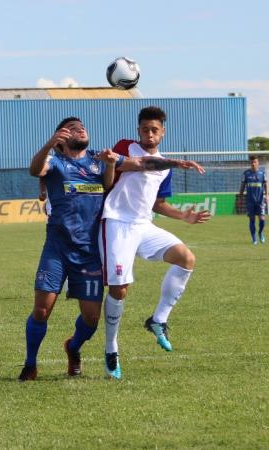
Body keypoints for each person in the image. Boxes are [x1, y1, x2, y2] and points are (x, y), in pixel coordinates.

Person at [100, 106, 210, 380]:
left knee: (186, 258)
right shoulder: (126, 147)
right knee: (119, 290)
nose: (149, 134)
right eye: (145, 129)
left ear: (163, 132)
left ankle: (158, 319)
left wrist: (184, 216)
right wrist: (175, 162)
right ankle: (111, 347)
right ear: (138, 130)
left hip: (144, 225)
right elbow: (139, 165)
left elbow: (158, 203)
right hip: (116, 223)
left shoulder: (166, 166)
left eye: (154, 130)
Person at [19, 116, 121, 381]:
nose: (81, 129)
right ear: (61, 139)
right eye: (73, 128)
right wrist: (48, 145)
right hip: (57, 249)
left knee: (91, 320)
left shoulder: (98, 162)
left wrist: (110, 164)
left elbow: (108, 184)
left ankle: (73, 347)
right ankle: (30, 363)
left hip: (88, 253)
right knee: (42, 311)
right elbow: (34, 170)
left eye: (82, 126)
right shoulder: (55, 162)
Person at [238, 155, 268, 244]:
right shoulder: (246, 173)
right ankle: (254, 238)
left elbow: (266, 185)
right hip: (250, 201)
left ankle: (260, 233)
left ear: (258, 163)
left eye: (255, 162)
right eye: (252, 162)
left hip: (260, 200)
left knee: (262, 219)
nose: (253, 164)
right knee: (252, 219)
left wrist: (267, 195)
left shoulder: (262, 174)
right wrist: (240, 198)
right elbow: (242, 186)